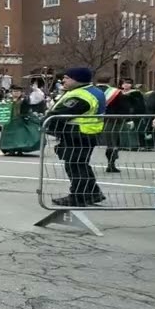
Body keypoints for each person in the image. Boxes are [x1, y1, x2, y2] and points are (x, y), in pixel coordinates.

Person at [45, 67, 106, 207]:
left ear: (76, 79)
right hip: (86, 132)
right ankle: (93, 193)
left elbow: (60, 113)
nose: (63, 80)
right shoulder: (92, 91)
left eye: (67, 78)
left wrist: (46, 119)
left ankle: (78, 196)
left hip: (78, 133)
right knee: (81, 164)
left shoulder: (81, 96)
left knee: (75, 166)